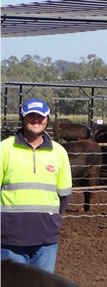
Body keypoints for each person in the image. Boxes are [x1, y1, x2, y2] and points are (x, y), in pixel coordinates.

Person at [1, 98, 72, 273]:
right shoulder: (5, 149)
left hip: (46, 239)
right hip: (11, 238)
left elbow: (64, 195)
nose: (36, 120)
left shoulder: (59, 153)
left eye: (40, 116)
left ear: (47, 119)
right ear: (23, 118)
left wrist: (51, 220)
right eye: (31, 115)